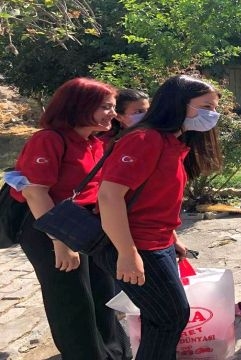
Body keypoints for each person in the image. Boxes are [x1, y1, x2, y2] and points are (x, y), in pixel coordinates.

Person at [93, 75, 223, 359]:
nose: (212, 114)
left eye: (215, 107)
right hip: (136, 244)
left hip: (157, 241)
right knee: (170, 317)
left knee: (162, 318)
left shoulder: (172, 142)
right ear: (178, 104)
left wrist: (172, 236)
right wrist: (127, 254)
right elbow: (109, 196)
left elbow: (154, 196)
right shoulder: (145, 139)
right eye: (205, 106)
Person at [10, 78, 131, 359]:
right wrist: (60, 243)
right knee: (71, 299)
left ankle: (112, 352)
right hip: (50, 229)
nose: (112, 114)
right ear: (78, 106)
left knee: (103, 293)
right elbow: (36, 194)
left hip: (86, 225)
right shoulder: (48, 140)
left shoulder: (93, 141)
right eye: (105, 107)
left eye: (113, 107)